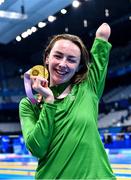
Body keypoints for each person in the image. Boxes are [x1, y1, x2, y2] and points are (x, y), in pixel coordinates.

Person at [19, 23, 116, 179]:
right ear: (47, 58)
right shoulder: (29, 104)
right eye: (58, 56)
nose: (63, 64)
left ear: (78, 66)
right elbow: (37, 149)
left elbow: (103, 32)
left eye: (71, 60)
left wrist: (101, 36)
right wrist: (49, 100)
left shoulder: (89, 87)